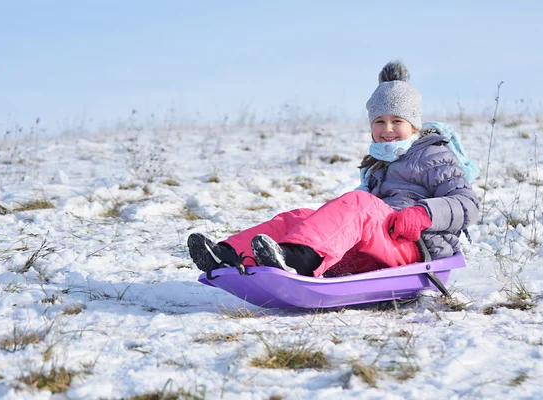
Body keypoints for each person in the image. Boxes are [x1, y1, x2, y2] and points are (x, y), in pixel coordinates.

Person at [187, 61, 479, 278]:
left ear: (414, 125)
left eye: (396, 121)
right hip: (378, 242)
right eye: (379, 122)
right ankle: (228, 255)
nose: (387, 129)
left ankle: (297, 260)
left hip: (414, 246)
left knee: (359, 204)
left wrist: (424, 213)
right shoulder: (379, 163)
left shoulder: (434, 155)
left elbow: (467, 203)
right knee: (300, 217)